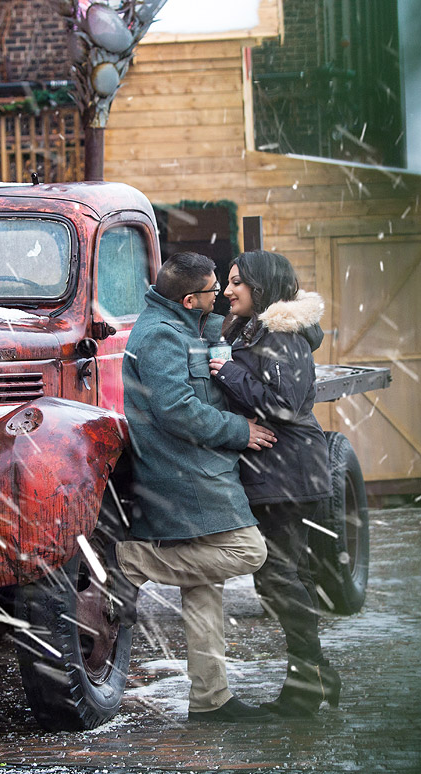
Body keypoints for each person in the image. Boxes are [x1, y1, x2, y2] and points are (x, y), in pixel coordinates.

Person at [118, 251, 278, 723]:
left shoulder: (183, 325)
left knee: (204, 583)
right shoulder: (159, 337)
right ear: (190, 299)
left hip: (198, 464)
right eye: (213, 291)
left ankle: (212, 699)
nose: (222, 297)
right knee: (250, 552)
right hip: (184, 470)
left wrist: (207, 325)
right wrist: (239, 430)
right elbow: (178, 411)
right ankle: (135, 559)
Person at [208, 250, 341, 717]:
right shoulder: (257, 331)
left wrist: (228, 372)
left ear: (261, 287)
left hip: (288, 471)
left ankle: (310, 679)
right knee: (286, 577)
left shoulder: (282, 336)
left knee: (278, 579)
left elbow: (283, 406)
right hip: (283, 470)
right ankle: (314, 677)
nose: (228, 291)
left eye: (237, 282)